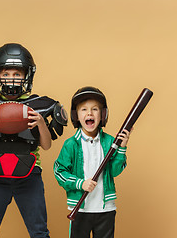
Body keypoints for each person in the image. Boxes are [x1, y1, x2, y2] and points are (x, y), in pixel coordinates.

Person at [0, 43, 68, 238]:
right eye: (6, 74)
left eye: (17, 74)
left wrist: (41, 123)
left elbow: (46, 145)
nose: (11, 79)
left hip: (30, 176)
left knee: (39, 231)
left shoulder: (40, 105)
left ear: (27, 76)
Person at [53, 86, 131, 238]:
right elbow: (59, 172)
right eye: (83, 109)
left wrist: (122, 148)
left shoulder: (110, 141)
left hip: (105, 208)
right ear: (76, 115)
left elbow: (114, 171)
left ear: (103, 114)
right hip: (80, 208)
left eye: (95, 109)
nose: (89, 113)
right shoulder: (71, 144)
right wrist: (80, 183)